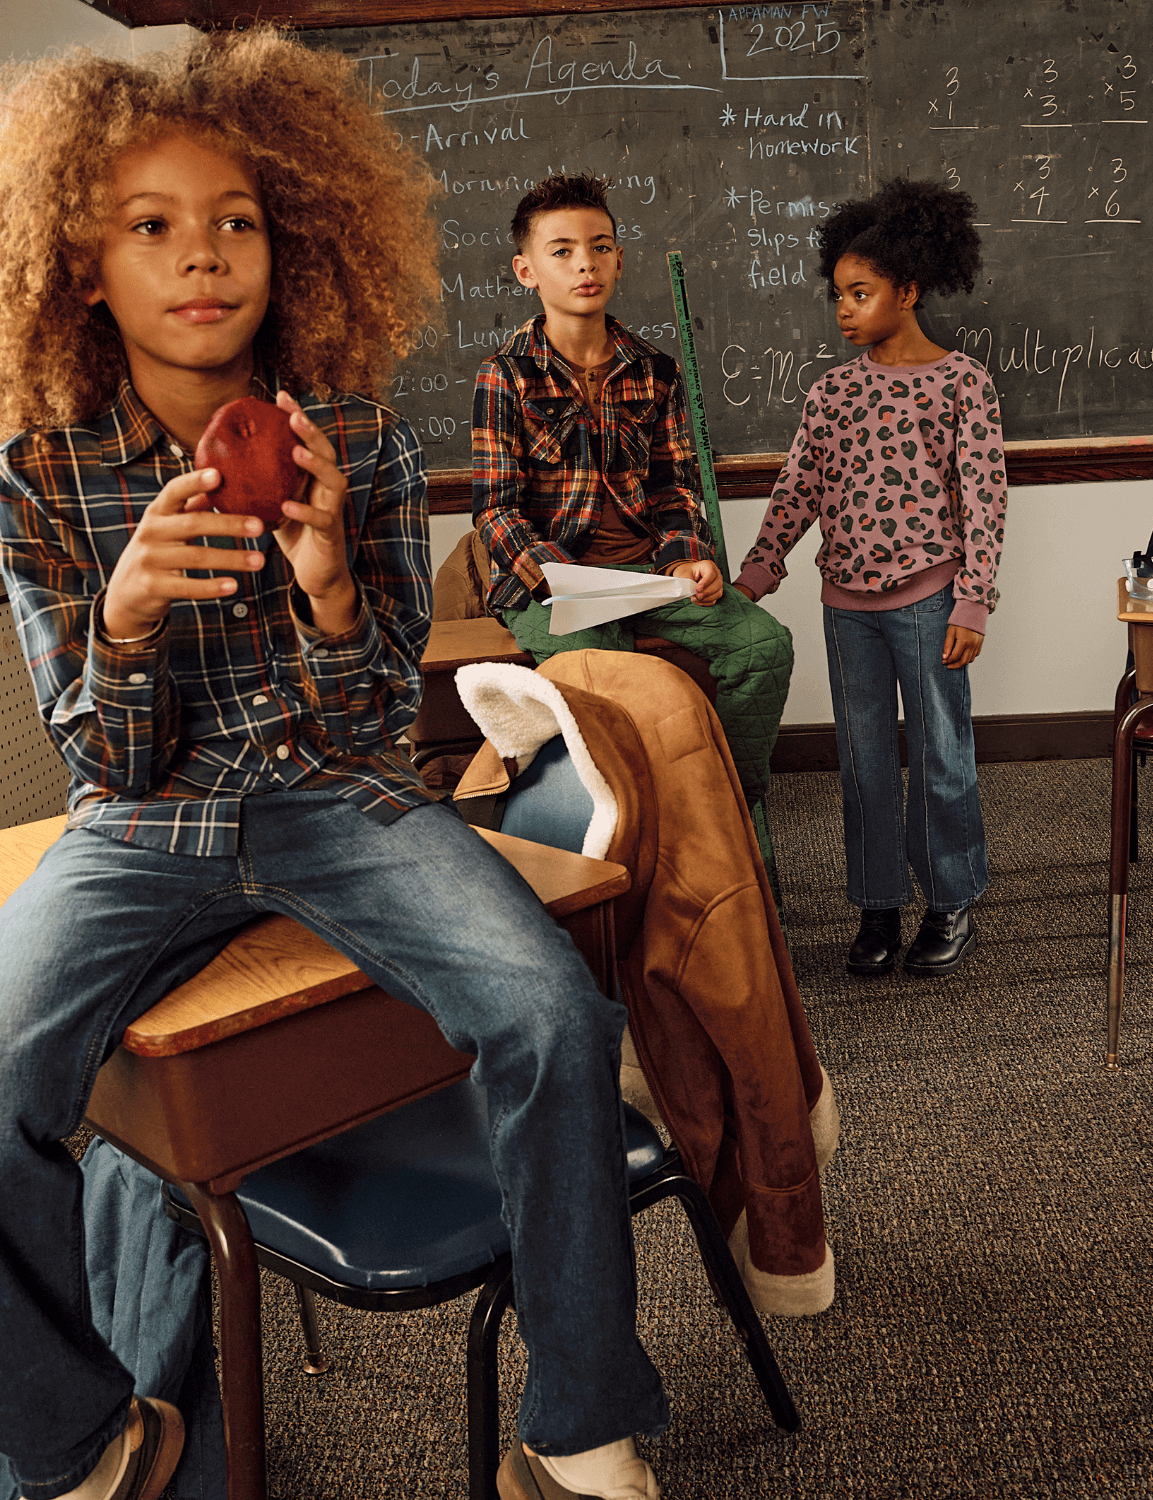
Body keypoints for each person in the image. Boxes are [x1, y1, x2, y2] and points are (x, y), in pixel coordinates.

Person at [0, 31, 666, 1500]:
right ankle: (77, 1439)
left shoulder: (354, 435)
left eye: (235, 219)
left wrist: (330, 587)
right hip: (141, 826)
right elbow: (103, 758)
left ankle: (580, 1424)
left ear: (290, 239)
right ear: (79, 266)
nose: (203, 257)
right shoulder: (40, 467)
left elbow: (373, 730)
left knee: (554, 1011)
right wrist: (121, 618)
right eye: (151, 226)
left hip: (333, 801)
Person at [732, 179, 1007, 978]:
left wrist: (974, 600)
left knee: (940, 753)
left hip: (930, 598)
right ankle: (878, 904)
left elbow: (983, 502)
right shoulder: (832, 392)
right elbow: (799, 489)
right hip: (845, 606)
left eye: (862, 293)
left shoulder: (963, 385)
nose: (845, 309)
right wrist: (758, 570)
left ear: (909, 290)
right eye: (839, 295)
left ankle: (951, 902)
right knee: (863, 762)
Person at [470, 172, 794, 810]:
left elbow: (675, 488)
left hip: (648, 575)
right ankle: (633, 813)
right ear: (525, 270)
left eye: (600, 245)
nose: (584, 263)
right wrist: (561, 578)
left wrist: (686, 559)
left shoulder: (655, 371)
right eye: (561, 250)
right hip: (553, 582)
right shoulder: (504, 376)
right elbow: (495, 509)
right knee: (606, 674)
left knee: (764, 645)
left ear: (619, 258)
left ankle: (722, 801)